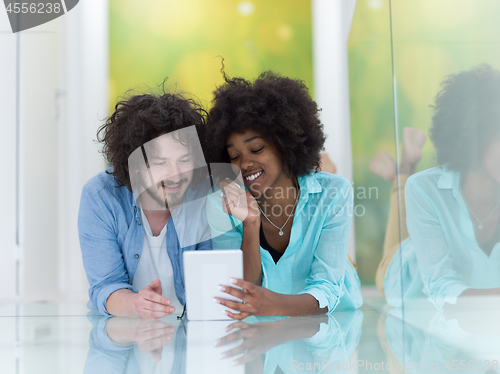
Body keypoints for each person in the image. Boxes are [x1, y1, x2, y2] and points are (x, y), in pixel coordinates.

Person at [204, 71, 363, 319]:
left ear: (284, 143)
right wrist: (250, 224)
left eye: (256, 149)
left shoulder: (334, 193)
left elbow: (328, 287)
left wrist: (276, 305)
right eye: (234, 156)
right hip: (260, 331)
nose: (244, 163)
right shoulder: (221, 204)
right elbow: (243, 291)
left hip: (328, 325)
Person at [373, 65, 500, 308]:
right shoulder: (423, 188)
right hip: (407, 278)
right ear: (475, 137)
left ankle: (404, 164)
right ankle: (404, 168)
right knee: (395, 247)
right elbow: (441, 287)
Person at [78, 91, 212, 319]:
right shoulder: (100, 197)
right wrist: (137, 304)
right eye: (161, 163)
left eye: (184, 160)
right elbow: (104, 286)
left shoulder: (206, 194)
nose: (176, 175)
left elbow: (216, 282)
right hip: (123, 334)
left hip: (192, 335)